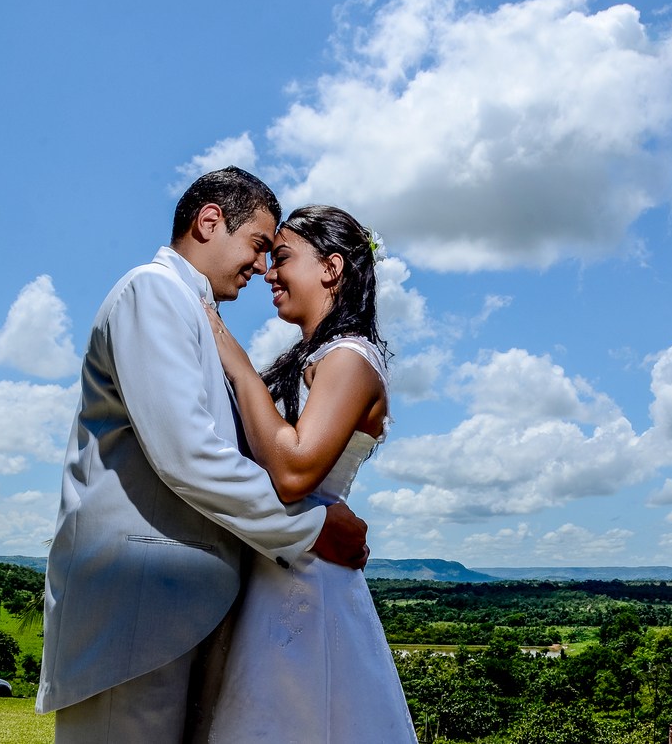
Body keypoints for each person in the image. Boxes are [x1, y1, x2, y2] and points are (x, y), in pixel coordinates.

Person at [36, 168, 370, 744]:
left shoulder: (194, 312)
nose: (264, 267)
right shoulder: (152, 291)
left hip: (186, 614)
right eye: (259, 245)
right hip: (136, 618)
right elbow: (187, 453)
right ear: (210, 221)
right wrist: (311, 527)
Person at [192, 205, 418, 743]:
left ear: (331, 268)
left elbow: (293, 471)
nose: (268, 273)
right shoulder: (314, 355)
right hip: (278, 566)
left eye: (283, 258)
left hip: (308, 584)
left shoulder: (350, 358)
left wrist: (237, 362)